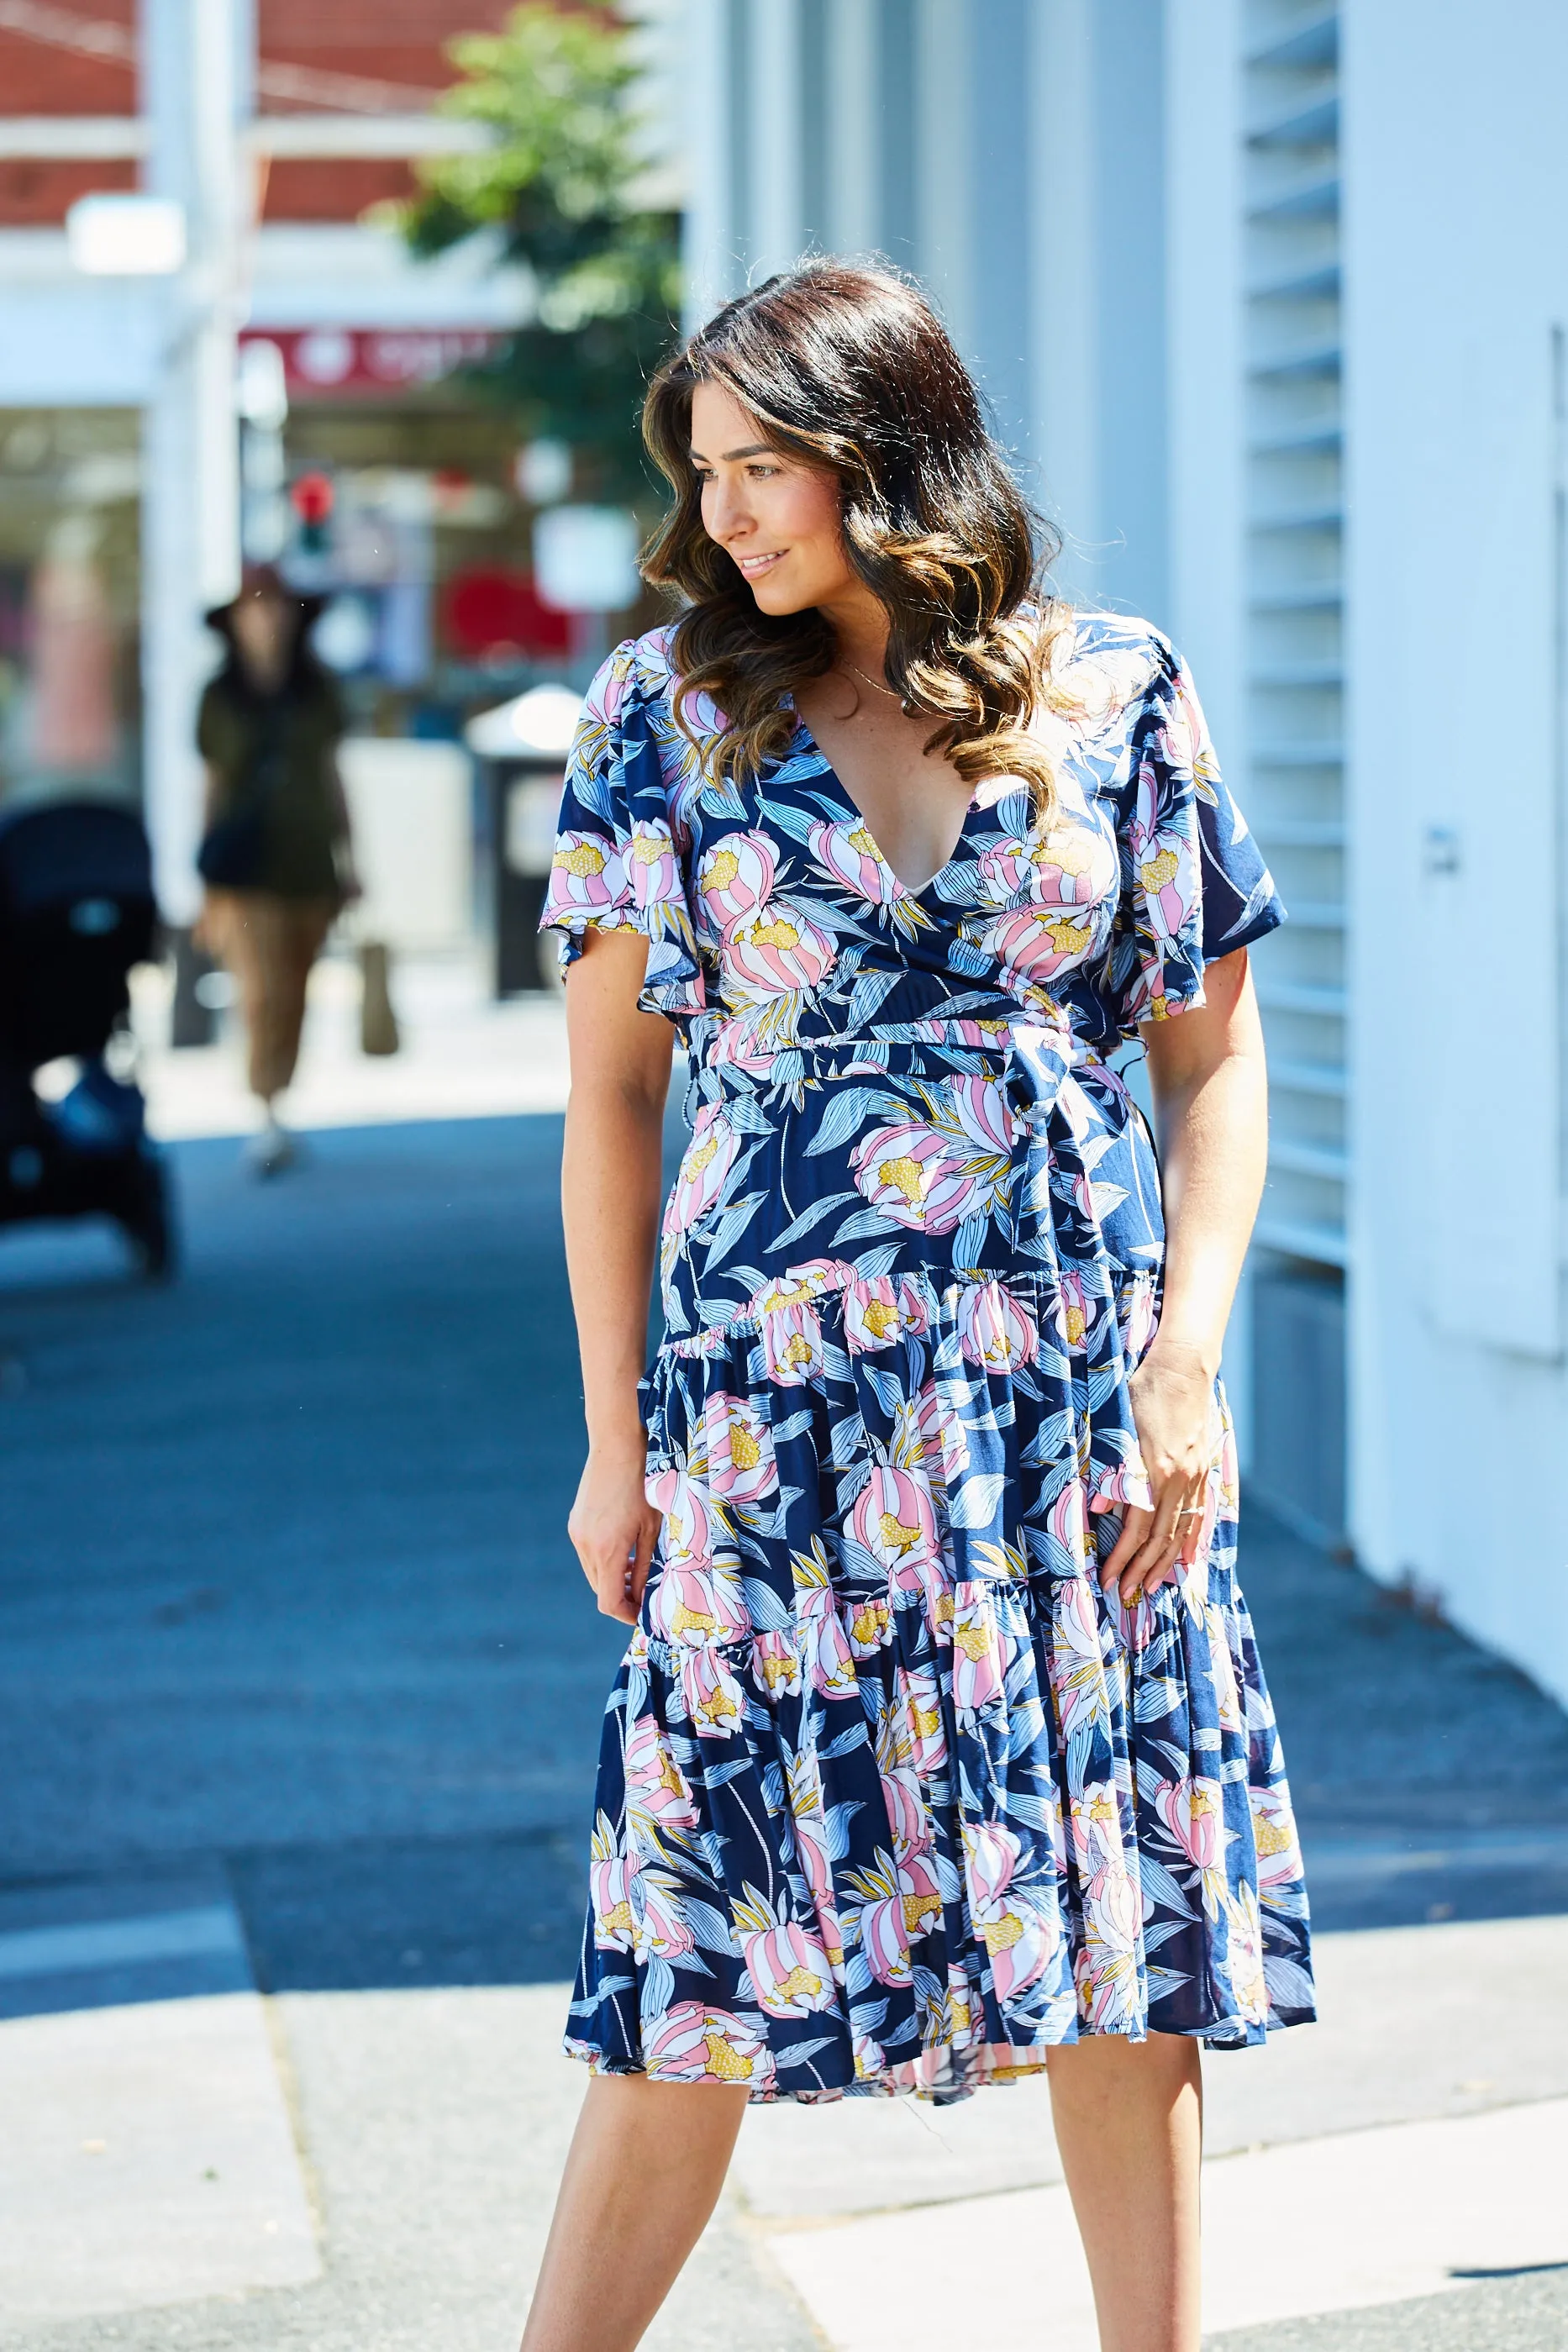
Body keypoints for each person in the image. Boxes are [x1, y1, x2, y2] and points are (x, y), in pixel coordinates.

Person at [534, 261, 1314, 2352]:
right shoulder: (663, 715)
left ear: (884, 450)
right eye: (701, 477)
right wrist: (615, 1444)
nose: (725, 519)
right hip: (768, 1432)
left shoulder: (1116, 693)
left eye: (760, 465)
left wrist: (1183, 1361)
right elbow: (611, 1105)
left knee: (1118, 1932)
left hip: (1068, 1412)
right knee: (692, 1956)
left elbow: (1213, 1057)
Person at [196, 563, 356, 1174]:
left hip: (310, 862)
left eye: (275, 605)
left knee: (293, 990)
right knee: (260, 991)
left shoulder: (317, 690)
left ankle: (278, 1100)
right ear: (234, 621)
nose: (266, 617)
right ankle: (263, 1110)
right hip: (242, 869)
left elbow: (332, 776)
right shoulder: (218, 696)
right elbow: (209, 783)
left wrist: (351, 858)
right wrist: (203, 871)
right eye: (254, 607)